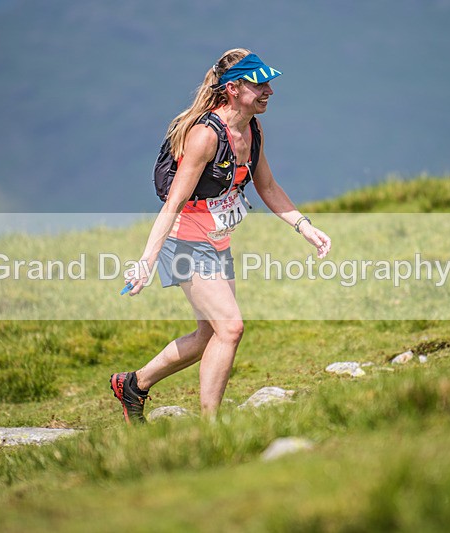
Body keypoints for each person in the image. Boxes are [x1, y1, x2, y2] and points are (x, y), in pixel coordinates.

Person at [110, 48, 331, 424]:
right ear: (232, 89)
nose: (269, 92)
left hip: (216, 241)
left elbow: (269, 187)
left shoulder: (252, 129)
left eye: (268, 84)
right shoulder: (204, 136)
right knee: (230, 328)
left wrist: (304, 226)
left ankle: (134, 384)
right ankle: (212, 429)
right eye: (259, 84)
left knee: (207, 336)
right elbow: (173, 204)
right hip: (184, 241)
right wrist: (146, 263)